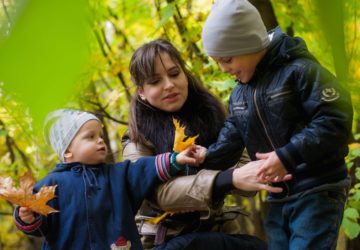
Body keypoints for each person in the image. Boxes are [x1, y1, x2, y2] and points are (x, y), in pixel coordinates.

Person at [199, 0, 354, 249]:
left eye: (227, 59)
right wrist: (207, 156)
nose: (223, 69)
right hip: (278, 195)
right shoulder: (240, 95)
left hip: (317, 187)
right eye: (217, 61)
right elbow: (232, 136)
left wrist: (287, 156)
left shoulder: (300, 70)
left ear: (248, 43)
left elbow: (335, 119)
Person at [124, 38, 291, 250]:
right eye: (155, 81)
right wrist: (229, 179)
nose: (169, 85)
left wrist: (275, 163)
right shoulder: (136, 138)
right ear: (141, 92)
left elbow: (244, 170)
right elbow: (160, 194)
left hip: (215, 231)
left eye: (175, 74)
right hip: (163, 240)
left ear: (185, 74)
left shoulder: (212, 114)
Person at [13, 108, 201, 250]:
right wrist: (28, 218)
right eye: (90, 137)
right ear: (67, 151)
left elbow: (146, 168)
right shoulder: (51, 185)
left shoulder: (118, 175)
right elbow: (37, 224)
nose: (100, 140)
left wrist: (175, 159)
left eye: (100, 135)